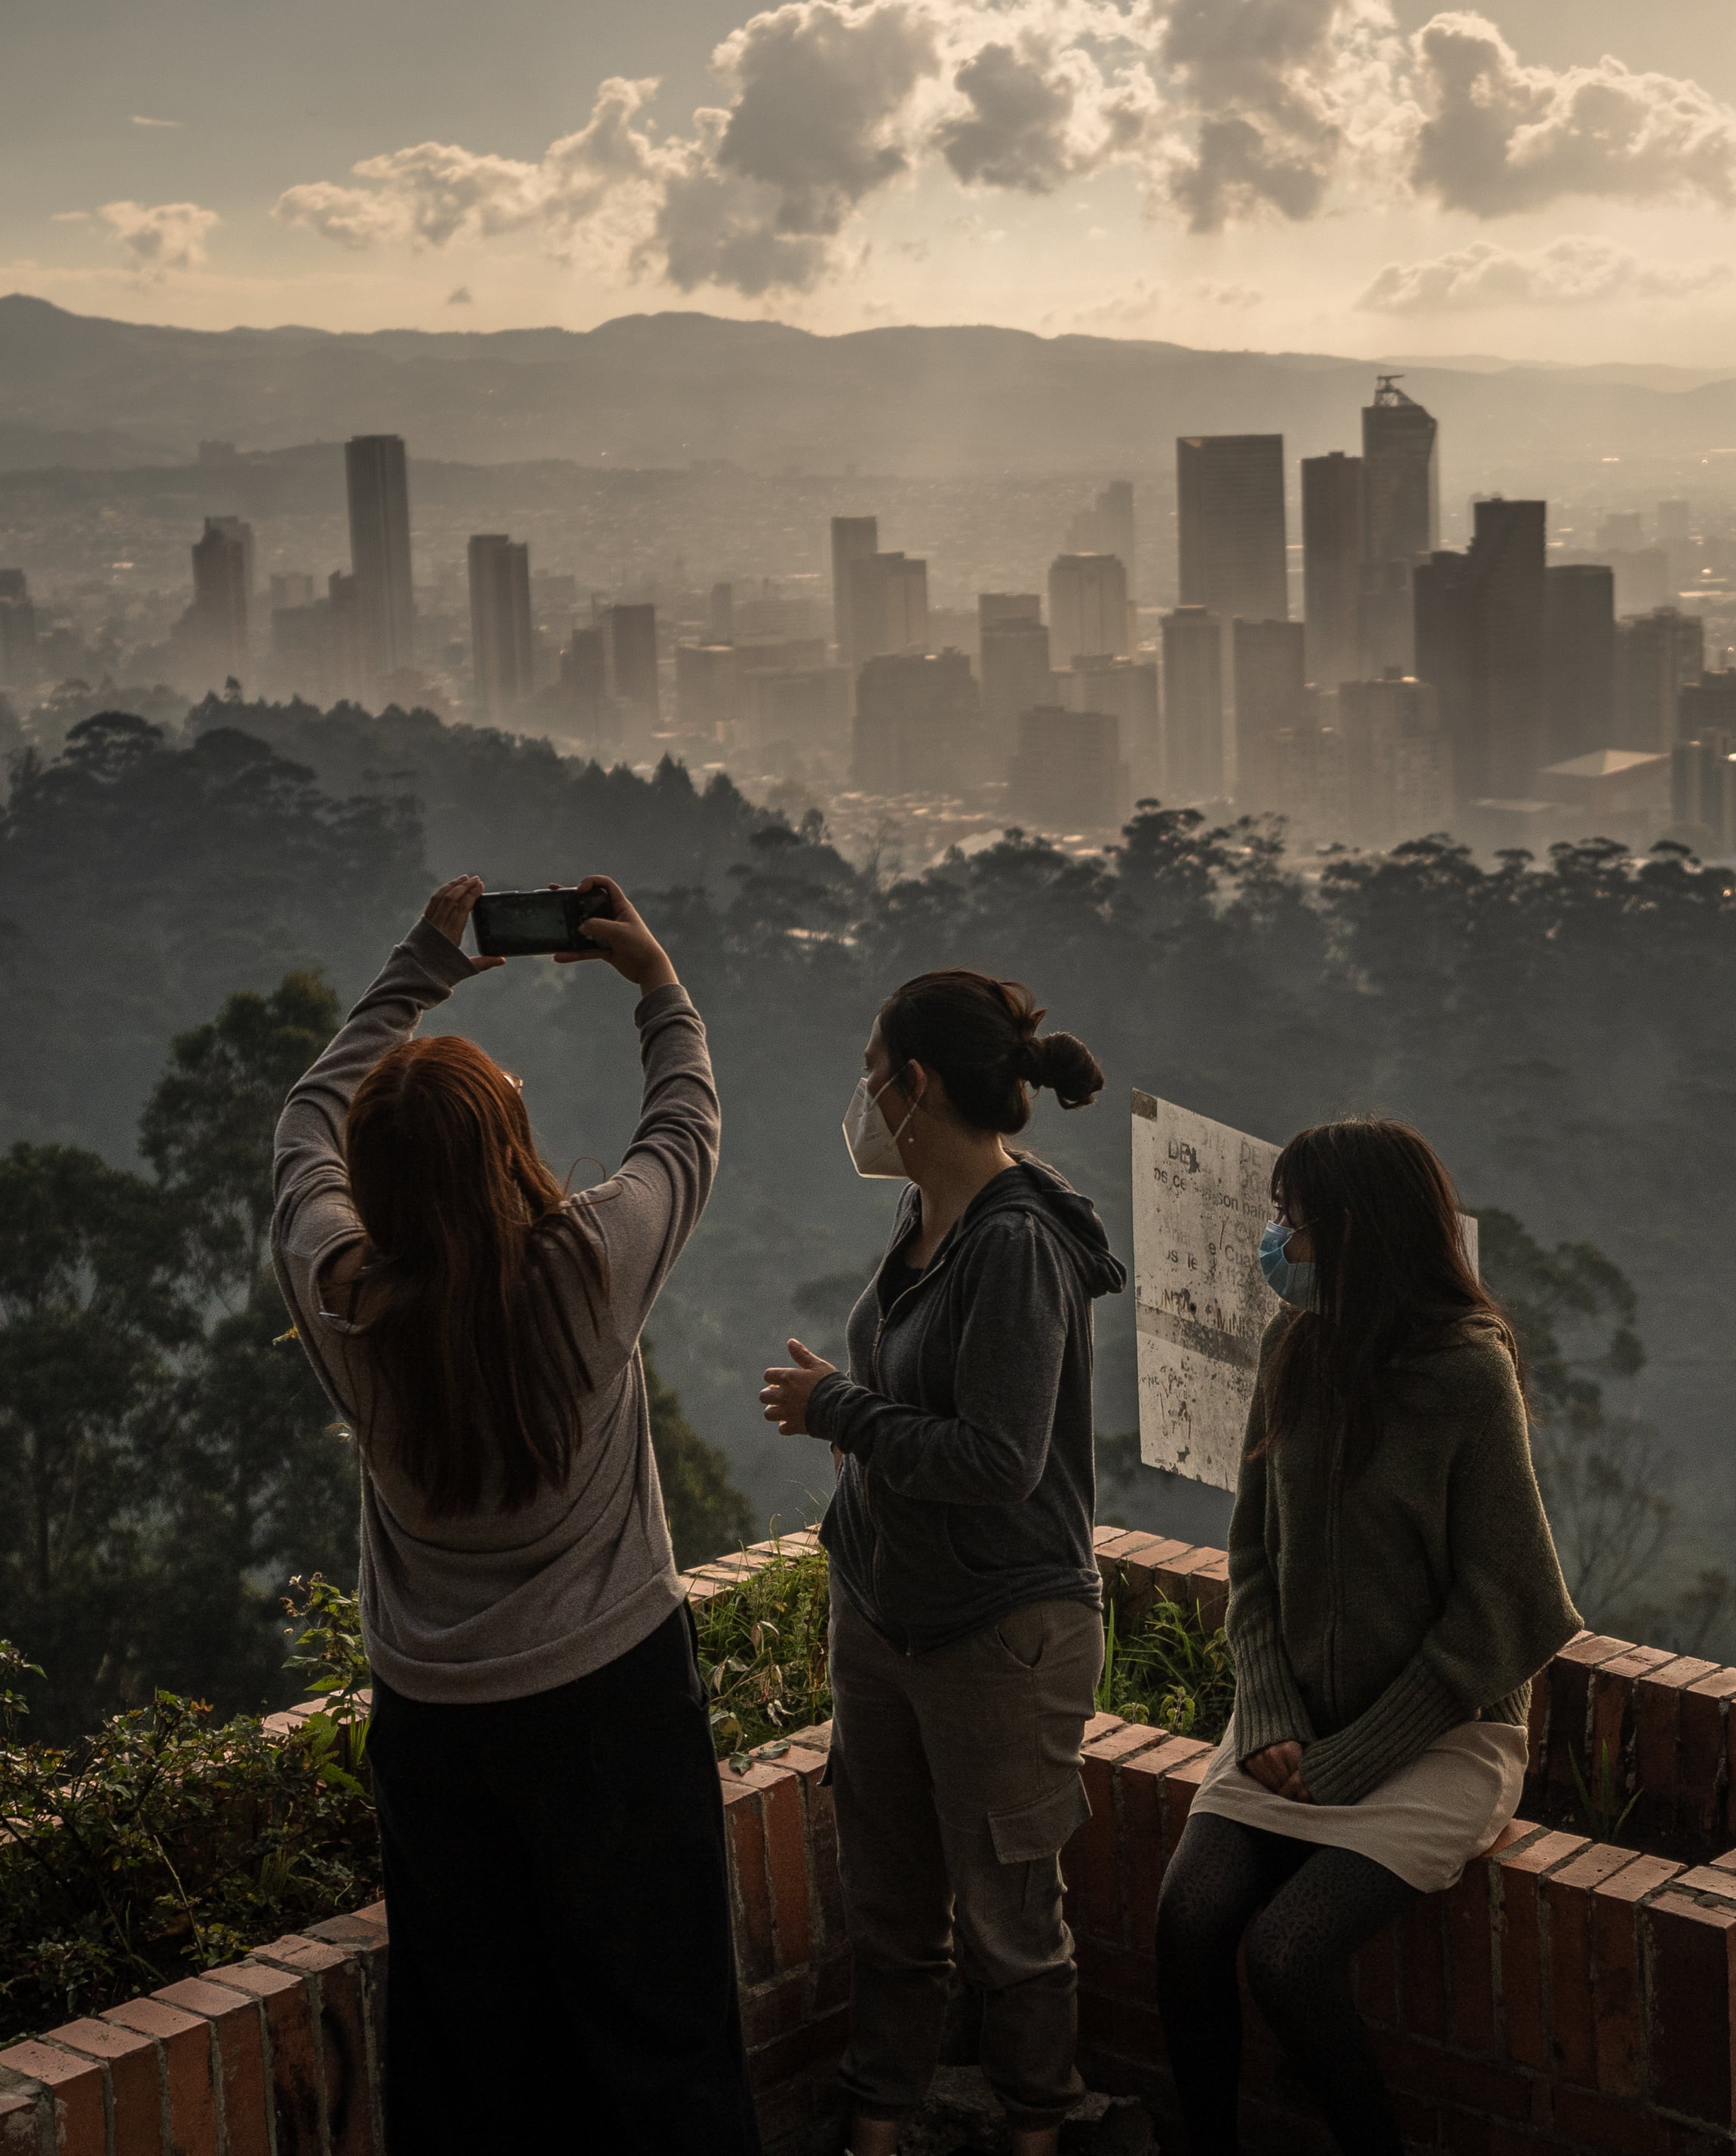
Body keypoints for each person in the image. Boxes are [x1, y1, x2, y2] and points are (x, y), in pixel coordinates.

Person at [269, 871, 759, 2155]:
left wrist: (421, 963)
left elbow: (304, 1122)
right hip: (614, 1704)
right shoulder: (590, 1268)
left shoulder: (340, 1297)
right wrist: (654, 978)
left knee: (474, 2056)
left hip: (435, 1726)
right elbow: (687, 1124)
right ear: (512, 1144)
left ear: (372, 1182)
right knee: (664, 2038)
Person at [1153, 1118, 1581, 2156]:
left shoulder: (1469, 1373)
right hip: (1291, 1727)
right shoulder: (1291, 1344)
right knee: (1188, 1917)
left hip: (1440, 1739)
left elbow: (1507, 1606)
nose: (1277, 1243)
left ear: (1358, 1231)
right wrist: (1266, 1708)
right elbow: (1253, 1554)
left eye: (1292, 1222)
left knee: (1289, 1956)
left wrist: (1362, 1754)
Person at [756, 969, 1126, 2156]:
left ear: (913, 1086)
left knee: (1012, 1918)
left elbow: (999, 1458)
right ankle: (878, 2120)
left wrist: (839, 1411)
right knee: (891, 1903)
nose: (861, 1098)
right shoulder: (927, 1217)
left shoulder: (1015, 1242)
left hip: (1000, 1631)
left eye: (873, 1073)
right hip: (886, 1616)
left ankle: (1035, 2127)